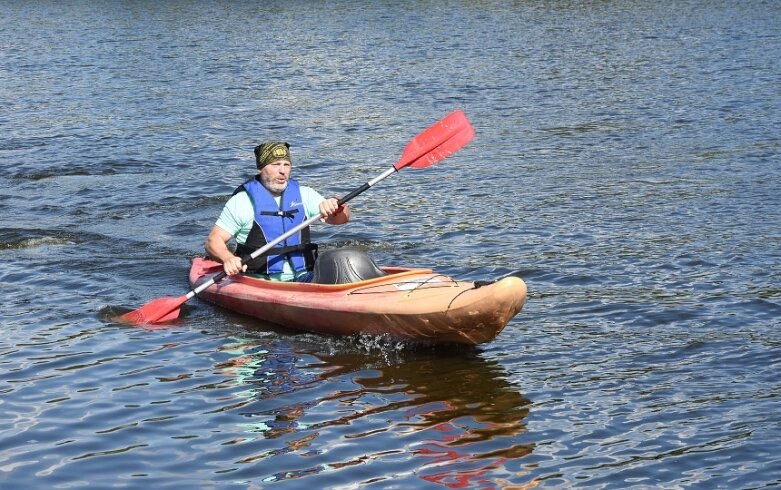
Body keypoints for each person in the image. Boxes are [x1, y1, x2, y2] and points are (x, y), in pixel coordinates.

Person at [205, 141, 350, 281]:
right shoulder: (241, 202)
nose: (282, 171)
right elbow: (213, 241)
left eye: (286, 165)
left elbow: (341, 220)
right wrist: (228, 258)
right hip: (259, 280)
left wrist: (337, 208)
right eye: (275, 165)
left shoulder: (305, 194)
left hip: (306, 277)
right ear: (261, 168)